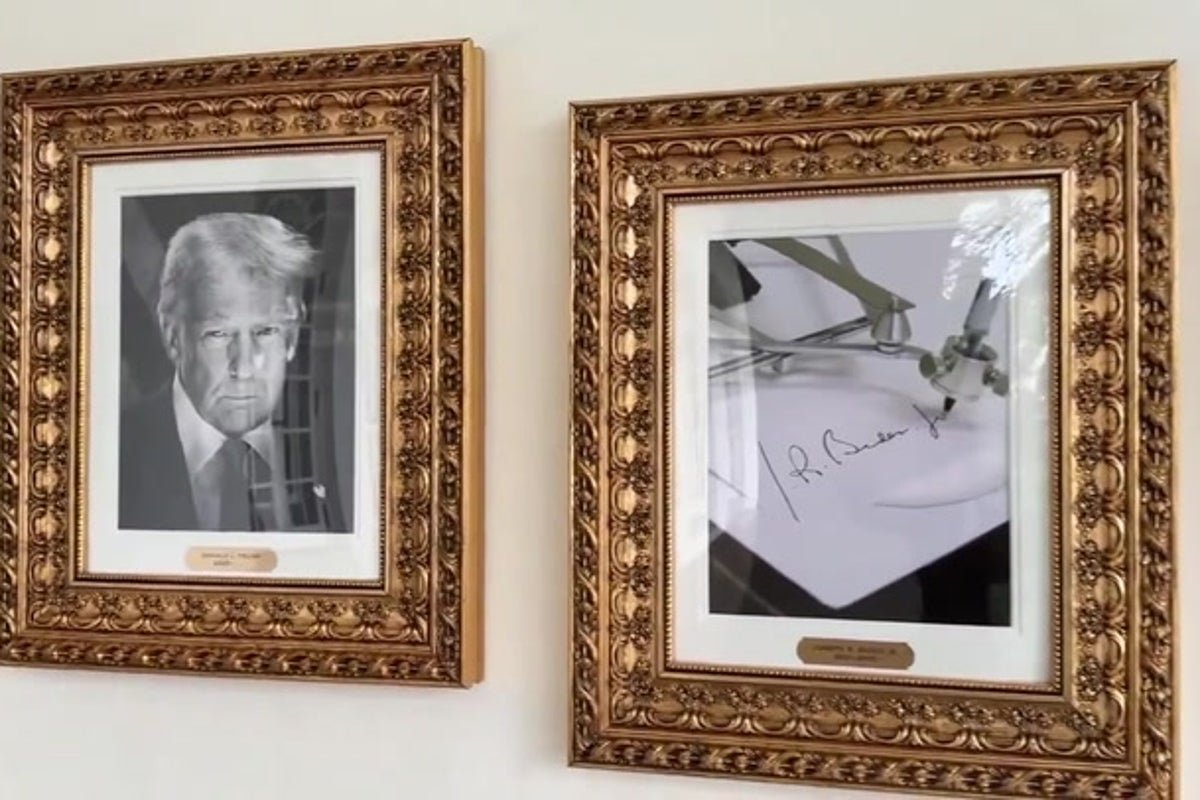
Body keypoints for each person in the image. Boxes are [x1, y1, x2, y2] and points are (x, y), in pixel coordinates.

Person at [119, 212, 344, 532]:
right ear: (173, 337)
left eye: (265, 331)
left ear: (292, 335)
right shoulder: (109, 454)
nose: (244, 367)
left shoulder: (345, 445)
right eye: (218, 334)